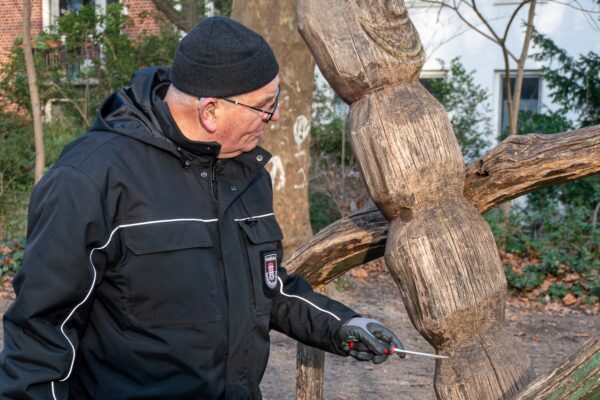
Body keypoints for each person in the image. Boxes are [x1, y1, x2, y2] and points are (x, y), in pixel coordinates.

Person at [0, 16, 404, 399]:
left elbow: (268, 286)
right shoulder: (89, 180)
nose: (276, 115)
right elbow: (41, 333)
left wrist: (344, 326)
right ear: (210, 111)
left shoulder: (247, 174)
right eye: (265, 104)